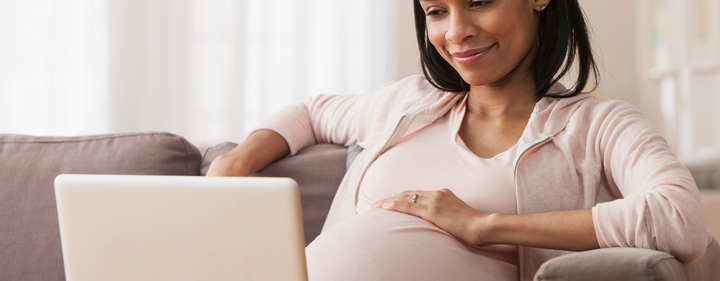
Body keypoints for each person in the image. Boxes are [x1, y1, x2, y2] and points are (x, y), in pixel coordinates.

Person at [207, 0, 707, 280]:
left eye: (479, 2)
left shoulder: (598, 125)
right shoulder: (407, 101)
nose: (457, 32)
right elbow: (310, 112)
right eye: (436, 11)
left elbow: (680, 220)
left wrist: (486, 225)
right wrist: (238, 161)